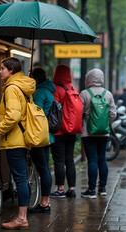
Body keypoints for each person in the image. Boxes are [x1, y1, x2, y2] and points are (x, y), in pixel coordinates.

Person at [0, 57, 36, 230]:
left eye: (2, 68)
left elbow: (13, 116)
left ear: (11, 70)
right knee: (21, 178)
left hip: (14, 139)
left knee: (20, 179)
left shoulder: (11, 88)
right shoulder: (24, 86)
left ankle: (21, 218)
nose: (0, 71)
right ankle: (22, 217)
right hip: (22, 137)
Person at [79, 69, 117, 198]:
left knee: (92, 160)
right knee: (102, 159)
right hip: (104, 132)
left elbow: (79, 112)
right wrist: (104, 123)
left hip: (87, 132)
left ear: (88, 78)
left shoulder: (84, 94)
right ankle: (103, 188)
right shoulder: (108, 94)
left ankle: (91, 190)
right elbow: (113, 114)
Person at [28, 67, 55, 213]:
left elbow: (35, 114)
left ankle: (45, 203)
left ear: (35, 79)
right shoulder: (49, 91)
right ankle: (46, 201)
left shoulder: (39, 93)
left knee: (43, 169)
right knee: (45, 168)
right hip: (46, 135)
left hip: (38, 135)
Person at [50, 65, 78, 198]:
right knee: (70, 161)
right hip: (72, 130)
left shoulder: (57, 90)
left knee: (59, 161)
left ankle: (60, 189)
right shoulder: (73, 88)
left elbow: (53, 109)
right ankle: (71, 189)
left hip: (59, 131)